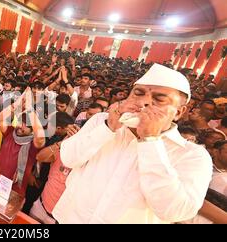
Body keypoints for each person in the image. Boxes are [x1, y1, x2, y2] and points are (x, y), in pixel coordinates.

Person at [53, 64, 213, 224]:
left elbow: (174, 211)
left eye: (159, 99)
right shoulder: (101, 121)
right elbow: (68, 159)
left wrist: (150, 140)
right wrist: (108, 128)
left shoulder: (192, 155)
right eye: (138, 93)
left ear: (178, 112)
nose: (144, 102)